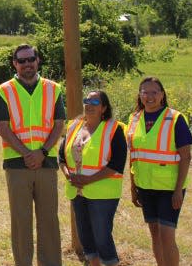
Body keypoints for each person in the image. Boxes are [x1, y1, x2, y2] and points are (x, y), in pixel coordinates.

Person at [0, 44, 65, 266]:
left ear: (38, 60)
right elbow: (2, 128)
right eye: (21, 61)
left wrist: (42, 152)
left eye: (30, 59)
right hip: (17, 164)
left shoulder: (54, 88)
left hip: (46, 163)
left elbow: (59, 124)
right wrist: (27, 153)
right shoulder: (3, 91)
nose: (27, 64)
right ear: (14, 64)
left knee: (49, 221)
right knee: (21, 221)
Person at [127, 77, 192, 266]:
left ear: (162, 95)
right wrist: (133, 187)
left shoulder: (175, 119)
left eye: (154, 92)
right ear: (139, 95)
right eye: (145, 92)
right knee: (155, 234)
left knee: (166, 236)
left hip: (169, 189)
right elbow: (134, 156)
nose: (149, 96)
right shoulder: (134, 119)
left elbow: (186, 157)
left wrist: (178, 190)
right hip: (145, 186)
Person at [58, 90, 127, 266]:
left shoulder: (114, 129)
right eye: (87, 101)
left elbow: (117, 164)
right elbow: (61, 157)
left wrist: (88, 180)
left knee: (102, 236)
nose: (89, 105)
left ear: (104, 108)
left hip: (102, 193)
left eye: (95, 102)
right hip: (77, 191)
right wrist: (68, 175)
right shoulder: (74, 126)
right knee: (85, 236)